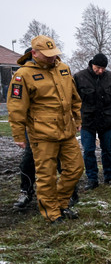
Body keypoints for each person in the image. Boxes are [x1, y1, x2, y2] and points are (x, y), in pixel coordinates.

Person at [7, 35, 84, 224]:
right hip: (42, 134)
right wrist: (18, 135)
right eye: (47, 55)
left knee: (76, 169)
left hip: (66, 131)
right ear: (34, 53)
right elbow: (16, 107)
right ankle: (52, 213)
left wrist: (77, 118)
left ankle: (61, 202)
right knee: (46, 176)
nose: (52, 58)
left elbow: (74, 98)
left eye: (54, 54)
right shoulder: (22, 75)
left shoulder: (64, 69)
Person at [74, 53, 111, 190]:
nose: (100, 71)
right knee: (89, 150)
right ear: (92, 64)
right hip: (87, 121)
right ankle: (92, 178)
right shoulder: (79, 77)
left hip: (105, 119)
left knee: (107, 150)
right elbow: (74, 98)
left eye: (103, 68)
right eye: (98, 68)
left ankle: (110, 175)